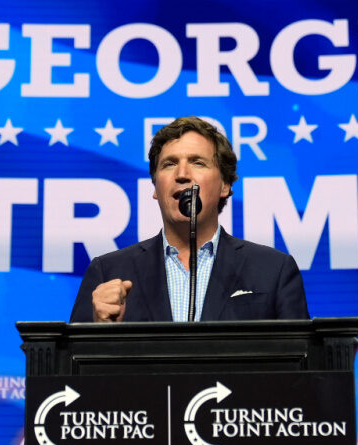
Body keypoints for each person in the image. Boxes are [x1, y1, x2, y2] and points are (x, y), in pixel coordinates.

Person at [70, 116, 310, 323]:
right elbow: (69, 372)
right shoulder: (109, 272)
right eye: (169, 164)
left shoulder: (273, 270)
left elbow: (305, 366)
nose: (182, 174)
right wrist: (98, 328)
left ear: (225, 185)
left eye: (197, 162)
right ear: (156, 187)